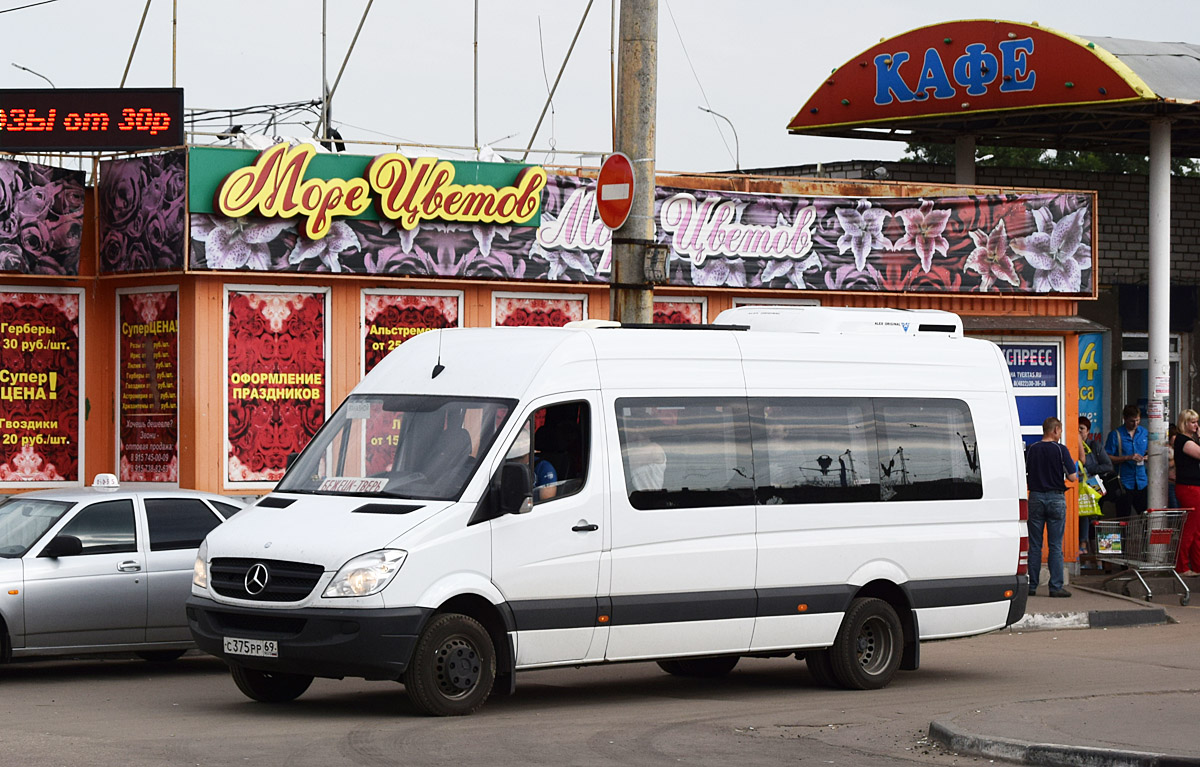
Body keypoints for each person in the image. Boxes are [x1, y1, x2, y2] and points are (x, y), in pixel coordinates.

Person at [1025, 417, 1078, 598]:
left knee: (1035, 545)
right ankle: (1055, 587)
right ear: (1055, 430)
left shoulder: (1031, 450)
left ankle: (1031, 585)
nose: (1060, 434)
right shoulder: (1060, 450)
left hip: (1036, 497)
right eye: (1060, 431)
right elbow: (1072, 477)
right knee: (1055, 545)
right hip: (1056, 499)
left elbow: (1024, 472)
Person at [1105, 405, 1149, 517]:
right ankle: (1124, 534)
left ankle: (1143, 534)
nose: (1135, 424)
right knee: (1123, 516)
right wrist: (1127, 458)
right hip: (1124, 482)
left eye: (1138, 420)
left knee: (1145, 515)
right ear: (1124, 419)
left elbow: (1150, 451)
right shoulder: (1116, 435)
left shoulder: (1144, 433)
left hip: (1142, 481)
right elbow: (1107, 457)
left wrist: (1147, 457)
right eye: (1132, 421)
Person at [1077, 416, 1112, 555]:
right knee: (1084, 515)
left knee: (1094, 518)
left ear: (1088, 431)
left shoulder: (1094, 446)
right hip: (1080, 486)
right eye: (1077, 429)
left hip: (1093, 485)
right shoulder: (1072, 444)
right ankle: (1085, 549)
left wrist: (1090, 468)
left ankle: (1096, 554)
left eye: (1082, 429)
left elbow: (1108, 466)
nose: (1079, 432)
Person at [1172, 409, 1200, 576]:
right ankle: (1182, 566)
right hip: (1189, 488)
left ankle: (1196, 565)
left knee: (1197, 529)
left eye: (1197, 422)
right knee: (1190, 528)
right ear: (1185, 423)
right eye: (1193, 422)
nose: (1196, 425)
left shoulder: (1189, 440)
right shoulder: (1183, 440)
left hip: (1193, 486)